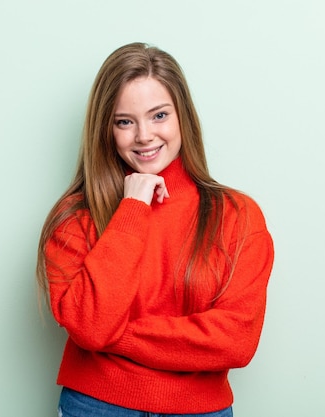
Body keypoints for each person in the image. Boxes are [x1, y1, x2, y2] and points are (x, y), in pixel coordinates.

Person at [36, 42, 274, 417]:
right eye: (124, 121)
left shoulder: (237, 215)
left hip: (201, 411)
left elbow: (236, 341)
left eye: (159, 115)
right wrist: (132, 208)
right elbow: (90, 326)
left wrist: (118, 335)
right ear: (106, 130)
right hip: (97, 406)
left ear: (183, 117)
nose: (144, 135)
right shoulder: (75, 217)